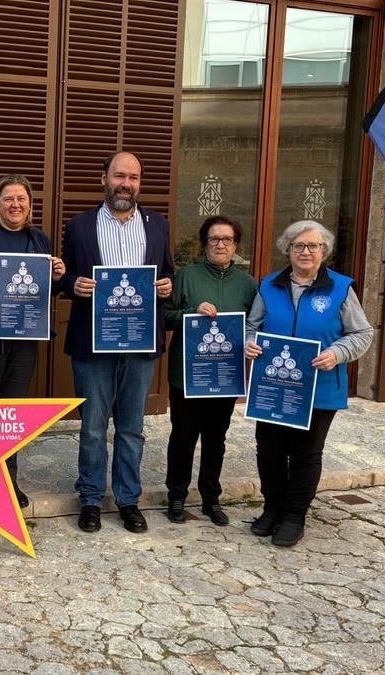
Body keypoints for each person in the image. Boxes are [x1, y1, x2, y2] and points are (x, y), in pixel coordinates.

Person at [60, 151, 174, 534]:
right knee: (92, 426)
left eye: (134, 178)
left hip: (140, 343)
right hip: (94, 344)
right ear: (104, 178)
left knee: (131, 427)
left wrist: (166, 286)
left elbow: (168, 274)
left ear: (140, 183)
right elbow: (62, 276)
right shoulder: (79, 226)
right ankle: (91, 498)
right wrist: (71, 285)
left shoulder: (158, 225)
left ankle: (128, 499)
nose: (126, 183)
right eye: (119, 175)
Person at [245, 220, 373, 547]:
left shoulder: (341, 289)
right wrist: (249, 343)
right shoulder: (270, 284)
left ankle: (293, 516)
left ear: (323, 251)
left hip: (319, 387)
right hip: (274, 386)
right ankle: (272, 509)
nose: (305, 251)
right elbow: (251, 325)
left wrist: (337, 353)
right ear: (288, 250)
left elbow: (362, 333)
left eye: (312, 246)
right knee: (270, 451)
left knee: (305, 454)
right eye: (298, 246)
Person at [0, 174, 65, 508]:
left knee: (10, 415)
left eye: (21, 199)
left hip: (24, 343)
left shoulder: (39, 240)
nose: (15, 205)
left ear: (29, 205)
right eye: (8, 199)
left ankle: (8, 479)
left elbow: (42, 294)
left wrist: (57, 278)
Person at [162, 216, 257, 526]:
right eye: (214, 239)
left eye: (227, 240)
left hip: (225, 375)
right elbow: (163, 316)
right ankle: (176, 496)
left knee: (216, 439)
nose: (220, 244)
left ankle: (210, 498)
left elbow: (256, 326)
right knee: (183, 437)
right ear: (204, 245)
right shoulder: (186, 277)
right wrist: (191, 312)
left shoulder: (247, 284)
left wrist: (251, 342)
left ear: (235, 246)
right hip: (187, 375)